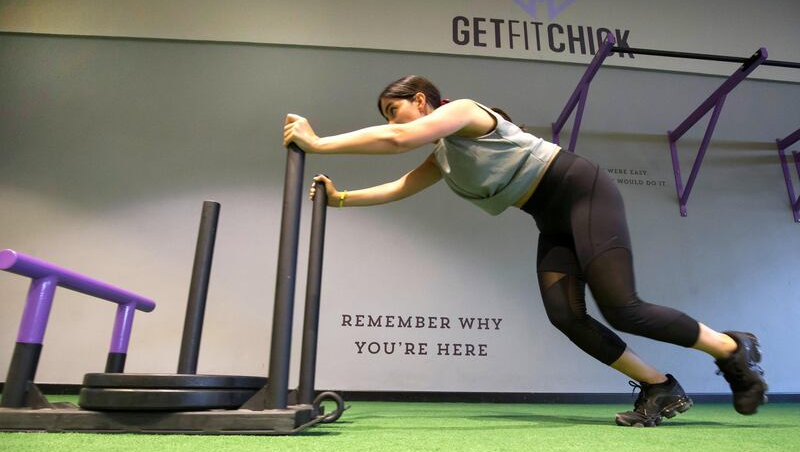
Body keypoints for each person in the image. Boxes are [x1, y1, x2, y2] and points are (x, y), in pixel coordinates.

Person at [283, 75, 767, 427]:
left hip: (582, 192)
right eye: (389, 115)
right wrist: (343, 198)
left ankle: (731, 348)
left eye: (394, 109)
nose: (392, 121)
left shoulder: (464, 110)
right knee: (566, 315)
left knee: (622, 308)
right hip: (550, 216)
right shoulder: (444, 155)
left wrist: (318, 142)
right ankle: (659, 386)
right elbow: (400, 187)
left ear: (421, 100)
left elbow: (398, 139)